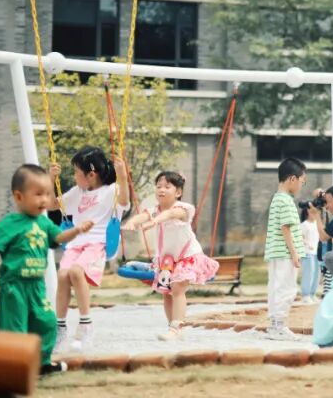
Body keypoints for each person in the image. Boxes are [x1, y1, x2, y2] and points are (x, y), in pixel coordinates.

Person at [0, 164, 93, 376]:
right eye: (38, 194)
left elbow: (59, 237)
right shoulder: (10, 223)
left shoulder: (44, 223)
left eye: (47, 194)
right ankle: (13, 367)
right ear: (19, 196)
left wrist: (77, 230)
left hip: (36, 286)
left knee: (47, 322)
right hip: (14, 287)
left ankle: (42, 363)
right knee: (15, 329)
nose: (44, 200)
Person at [121, 171, 219, 340]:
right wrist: (131, 222)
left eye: (167, 186)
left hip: (187, 257)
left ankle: (176, 328)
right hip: (167, 261)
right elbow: (142, 216)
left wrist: (155, 221)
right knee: (166, 293)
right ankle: (173, 327)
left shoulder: (184, 209)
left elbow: (171, 214)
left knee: (177, 288)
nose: (161, 189)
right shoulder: (154, 210)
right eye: (158, 186)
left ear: (178, 192)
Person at [48, 146, 129, 351]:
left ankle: (86, 325)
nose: (74, 176)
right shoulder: (78, 192)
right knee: (63, 275)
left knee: (76, 272)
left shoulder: (111, 191)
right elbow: (50, 205)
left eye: (76, 172)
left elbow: (124, 201)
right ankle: (60, 328)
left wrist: (122, 176)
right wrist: (50, 179)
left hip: (98, 243)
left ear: (91, 175)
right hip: (75, 243)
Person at [264, 157, 307, 339]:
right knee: (287, 288)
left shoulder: (277, 198)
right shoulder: (286, 201)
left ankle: (275, 325)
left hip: (276, 252)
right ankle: (279, 326)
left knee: (276, 287)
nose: (301, 186)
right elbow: (286, 228)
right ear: (292, 179)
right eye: (302, 181)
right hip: (285, 253)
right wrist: (294, 254)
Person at [298, 200, 321, 304]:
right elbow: (299, 238)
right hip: (307, 252)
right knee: (308, 273)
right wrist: (307, 244)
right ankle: (305, 295)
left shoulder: (316, 224)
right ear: (308, 211)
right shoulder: (304, 225)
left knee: (316, 273)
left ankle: (312, 294)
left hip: (316, 253)